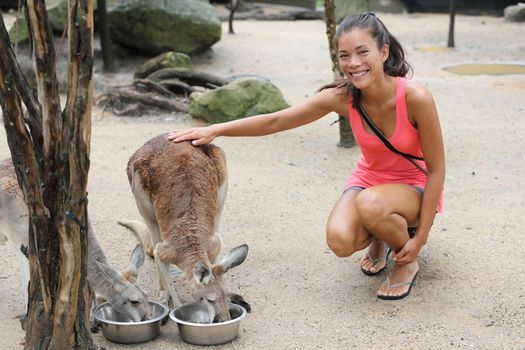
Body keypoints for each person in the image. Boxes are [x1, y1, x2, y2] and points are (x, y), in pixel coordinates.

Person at [168, 12, 445, 300]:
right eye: (344, 55)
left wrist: (421, 236)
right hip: (370, 181)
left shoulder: (415, 97)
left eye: (363, 52)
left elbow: (437, 169)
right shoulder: (343, 98)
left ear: (383, 52)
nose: (353, 64)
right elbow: (277, 121)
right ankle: (381, 236)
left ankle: (406, 259)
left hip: (413, 185)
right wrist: (216, 129)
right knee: (339, 240)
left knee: (370, 204)